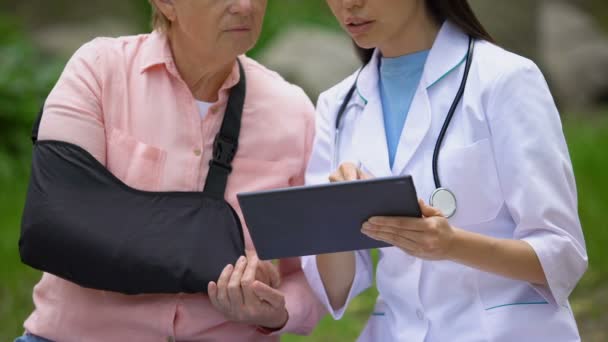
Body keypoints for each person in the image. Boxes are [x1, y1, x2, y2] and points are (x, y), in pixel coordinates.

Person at [16, 0, 325, 341]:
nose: (245, 5)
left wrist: (277, 311)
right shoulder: (99, 71)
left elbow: (314, 275)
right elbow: (54, 227)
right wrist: (215, 258)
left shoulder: (293, 113)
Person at [302, 0, 588, 341]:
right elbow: (335, 291)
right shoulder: (336, 107)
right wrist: (335, 213)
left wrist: (451, 245)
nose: (349, 4)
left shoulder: (505, 79)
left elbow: (562, 254)